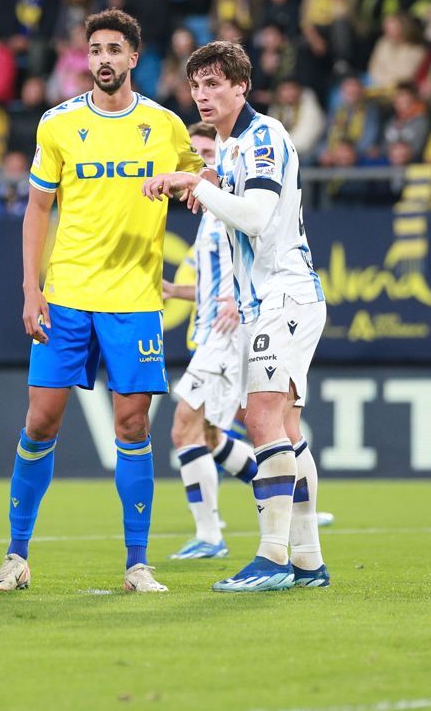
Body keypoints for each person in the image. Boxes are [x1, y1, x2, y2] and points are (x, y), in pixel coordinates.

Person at [0, 10, 203, 595]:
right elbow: (37, 209)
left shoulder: (165, 126)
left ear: (134, 58)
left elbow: (203, 179)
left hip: (135, 299)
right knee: (41, 418)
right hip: (69, 296)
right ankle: (16, 554)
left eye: (115, 50)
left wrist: (193, 187)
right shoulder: (57, 125)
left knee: (132, 426)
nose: (103, 59)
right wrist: (32, 288)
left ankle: (137, 563)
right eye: (95, 49)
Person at [145, 40, 329, 593]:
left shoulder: (264, 136)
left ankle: (272, 558)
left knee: (261, 418)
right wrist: (204, 183)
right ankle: (308, 562)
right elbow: (234, 203)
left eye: (214, 84)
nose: (202, 95)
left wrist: (197, 184)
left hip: (284, 293)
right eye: (196, 86)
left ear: (241, 86)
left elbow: (256, 215)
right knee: (288, 431)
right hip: (263, 300)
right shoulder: (227, 150)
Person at [162, 121, 258, 560]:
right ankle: (293, 501)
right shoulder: (206, 217)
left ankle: (209, 536)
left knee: (184, 429)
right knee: (212, 436)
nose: (200, 162)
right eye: (193, 154)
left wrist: (241, 300)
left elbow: (258, 253)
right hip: (210, 331)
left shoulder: (231, 205)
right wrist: (172, 290)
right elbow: (209, 282)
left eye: (208, 153)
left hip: (226, 334)